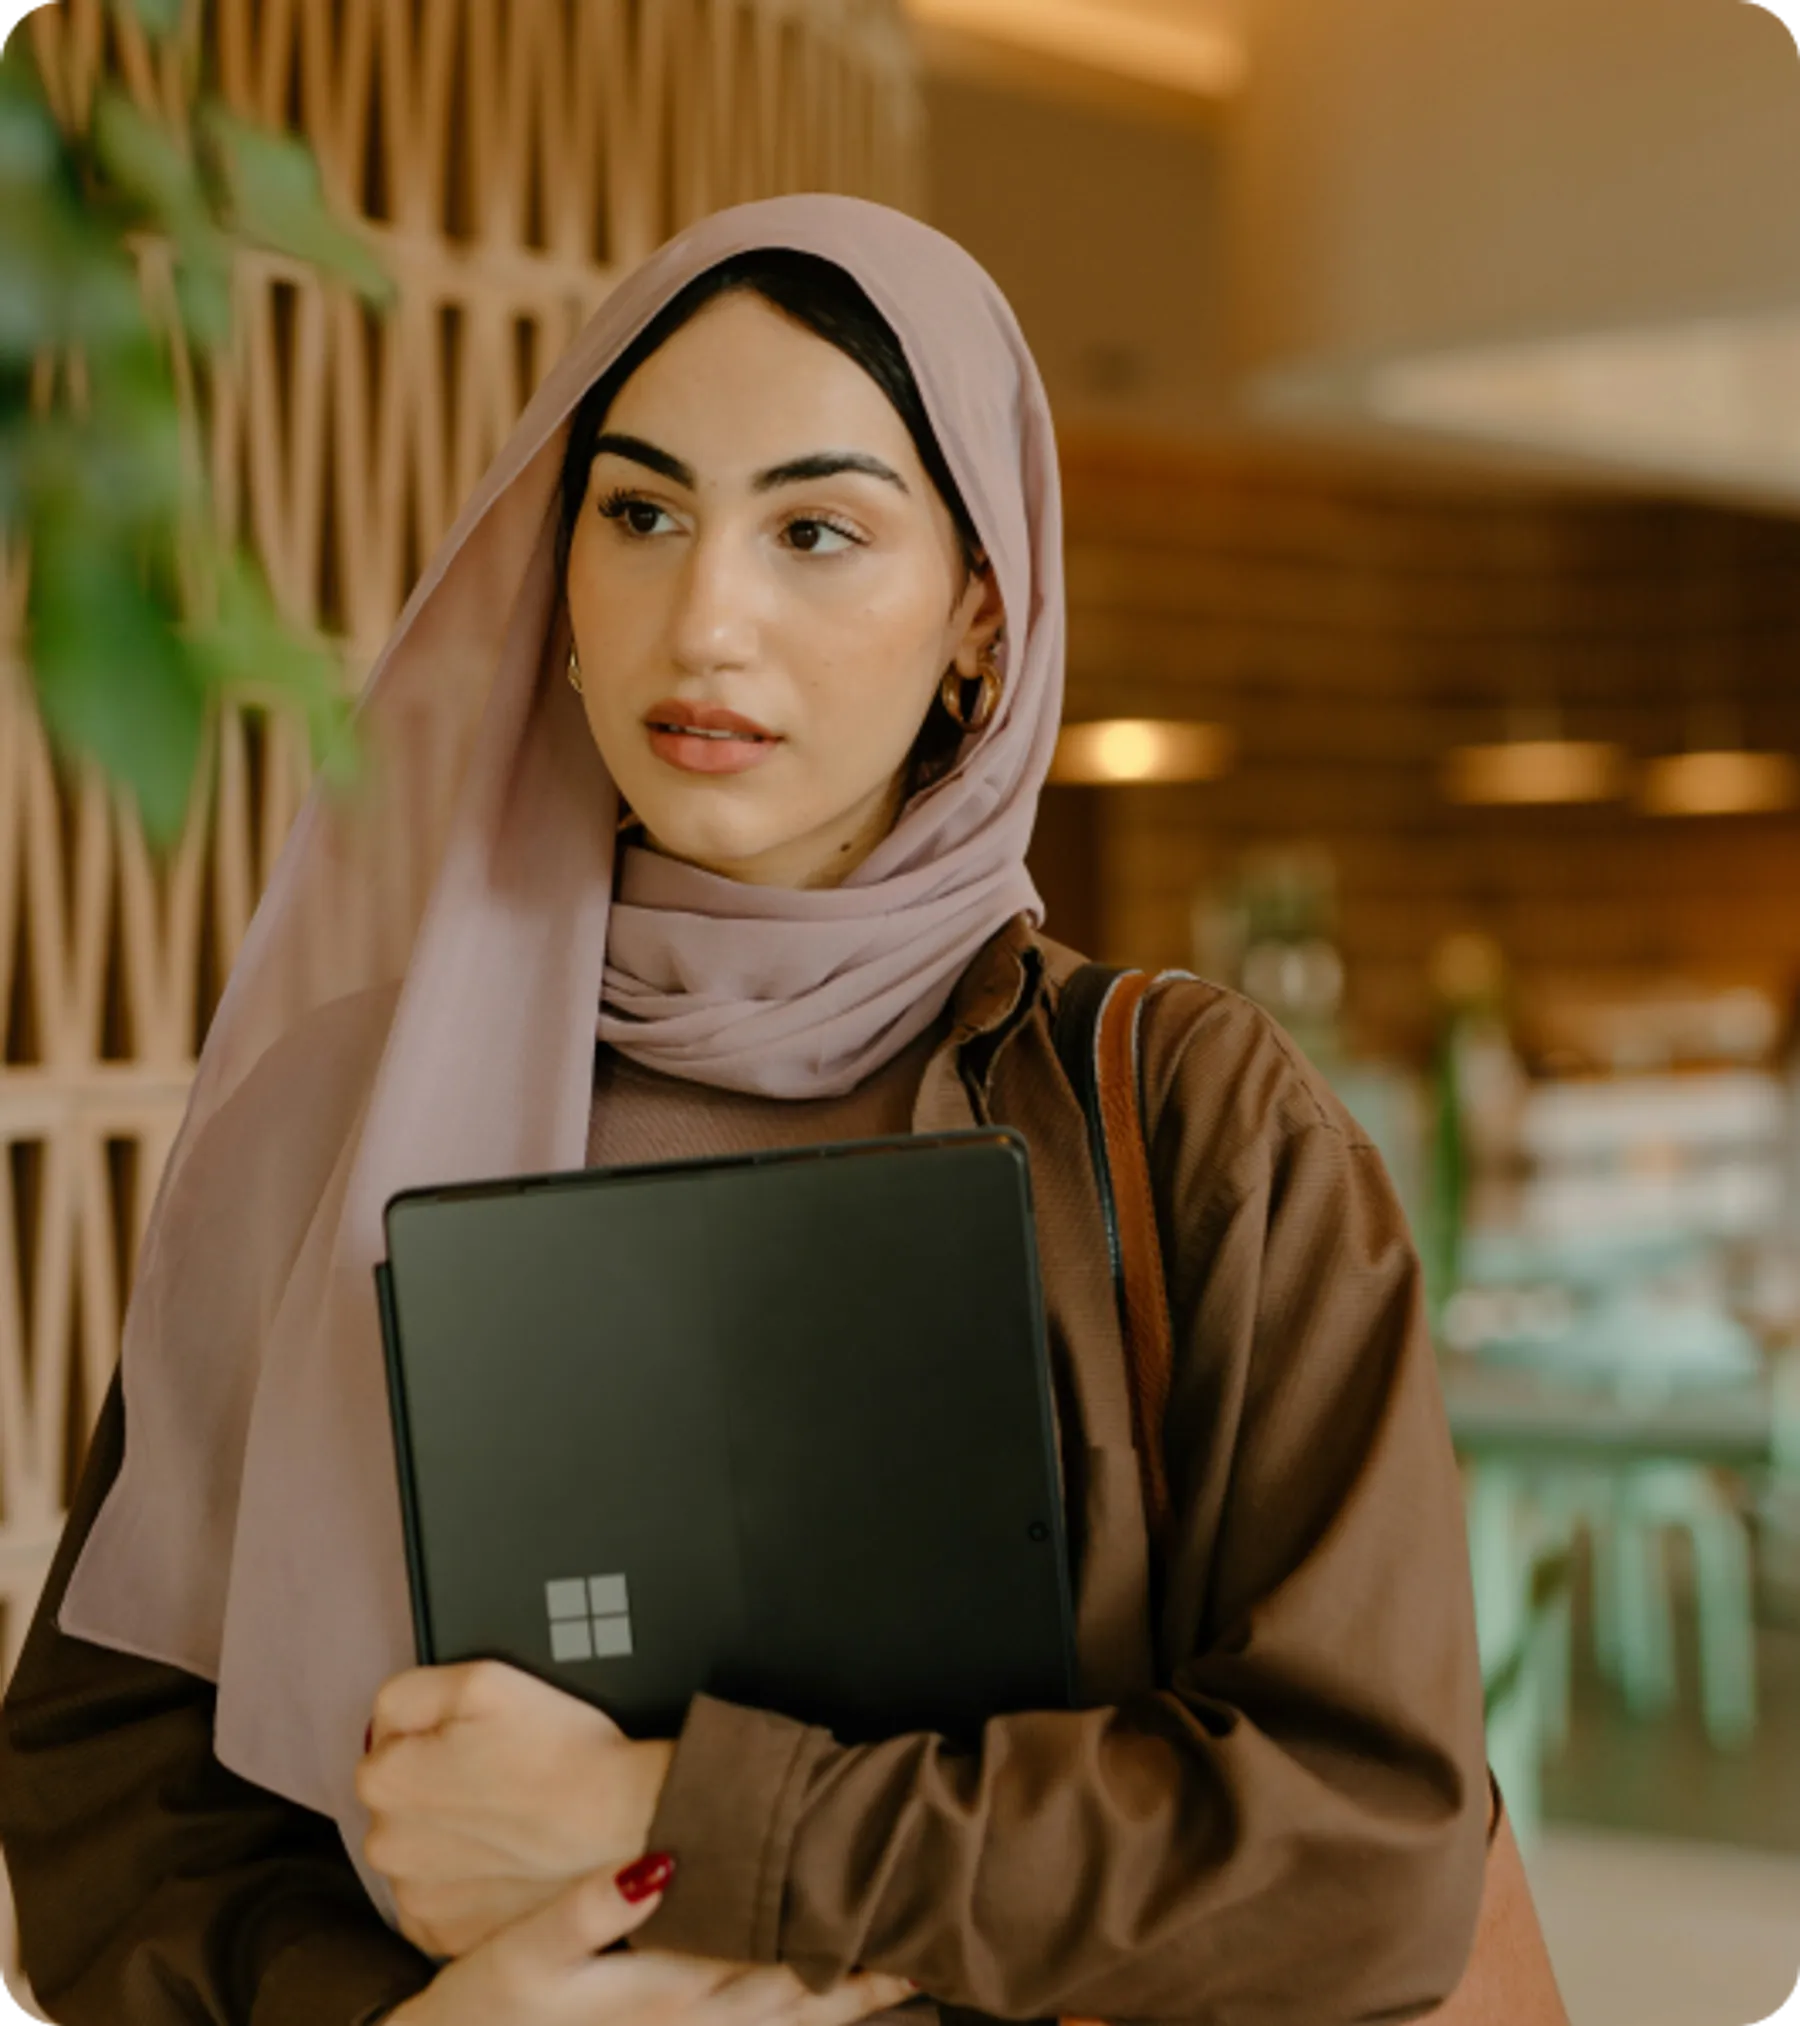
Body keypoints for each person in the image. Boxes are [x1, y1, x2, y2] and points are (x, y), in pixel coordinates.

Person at [0, 197, 1489, 2026]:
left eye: (817, 529)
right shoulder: (330, 1122)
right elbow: (103, 1808)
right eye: (638, 514)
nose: (707, 616)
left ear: (978, 616)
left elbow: (1367, 1847)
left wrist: (672, 1817)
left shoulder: (1183, 1123)